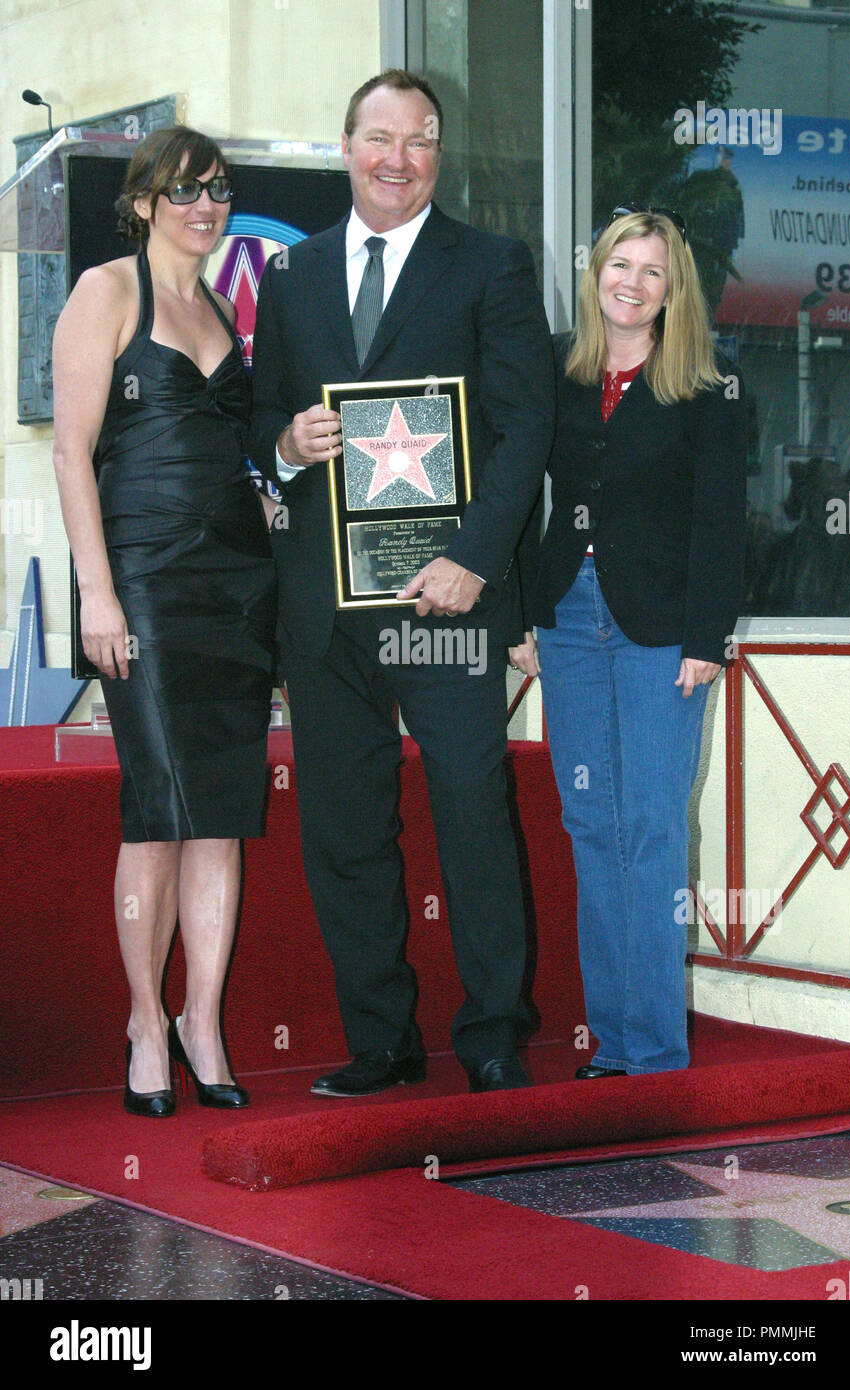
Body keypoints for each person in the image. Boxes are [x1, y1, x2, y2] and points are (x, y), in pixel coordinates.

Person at [250, 69, 554, 1096]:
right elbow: (259, 419)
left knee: (471, 805)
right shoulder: (289, 277)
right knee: (344, 822)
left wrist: (473, 557)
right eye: (379, 137)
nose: (397, 158)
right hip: (325, 606)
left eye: (418, 141)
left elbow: (523, 430)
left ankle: (491, 1032)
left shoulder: (491, 266)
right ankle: (378, 1041)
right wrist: (286, 444)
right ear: (346, 147)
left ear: (436, 156)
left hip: (446, 601)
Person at [52, 126, 277, 1116]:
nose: (203, 205)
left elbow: (232, 448)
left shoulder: (221, 302)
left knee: (220, 816)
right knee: (158, 808)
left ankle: (203, 1020)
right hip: (140, 576)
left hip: (236, 582)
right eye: (183, 190)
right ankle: (145, 1018)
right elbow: (70, 453)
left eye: (217, 190)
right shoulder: (106, 291)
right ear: (143, 201)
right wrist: (96, 592)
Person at [511, 206, 747, 1077]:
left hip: (662, 636)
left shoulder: (707, 383)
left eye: (654, 271)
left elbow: (722, 521)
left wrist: (706, 639)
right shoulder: (554, 370)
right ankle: (610, 1042)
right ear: (596, 272)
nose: (634, 283)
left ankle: (652, 1051)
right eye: (621, 264)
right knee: (590, 824)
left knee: (649, 829)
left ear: (671, 288)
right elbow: (512, 490)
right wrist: (513, 619)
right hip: (566, 621)